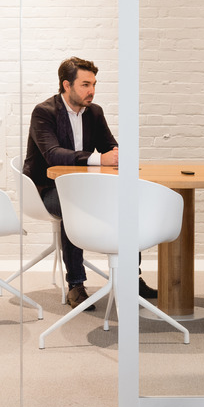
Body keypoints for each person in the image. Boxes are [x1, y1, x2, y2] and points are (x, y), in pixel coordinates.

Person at [23, 56, 157, 309]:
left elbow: (109, 146)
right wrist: (99, 159)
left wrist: (118, 154)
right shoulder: (44, 112)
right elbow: (53, 154)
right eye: (85, 84)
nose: (92, 90)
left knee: (126, 204)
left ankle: (131, 278)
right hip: (47, 189)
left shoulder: (94, 112)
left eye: (94, 84)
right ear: (67, 85)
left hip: (85, 186)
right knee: (73, 205)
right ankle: (76, 284)